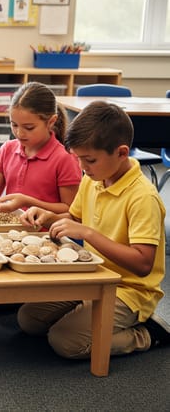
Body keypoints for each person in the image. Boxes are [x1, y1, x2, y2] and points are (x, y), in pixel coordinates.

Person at [19, 101, 169, 357]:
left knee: (65, 341)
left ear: (122, 153)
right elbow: (74, 215)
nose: (81, 168)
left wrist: (88, 233)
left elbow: (143, 264)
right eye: (78, 159)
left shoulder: (143, 197)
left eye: (89, 160)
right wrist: (48, 216)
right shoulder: (93, 178)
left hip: (128, 290)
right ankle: (88, 313)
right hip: (91, 276)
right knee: (29, 320)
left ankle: (147, 333)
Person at [0, 81, 80, 214]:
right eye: (14, 125)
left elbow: (70, 211)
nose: (19, 133)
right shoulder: (8, 149)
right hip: (12, 229)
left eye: (29, 127)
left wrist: (28, 202)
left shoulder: (65, 158)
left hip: (45, 232)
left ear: (51, 122)